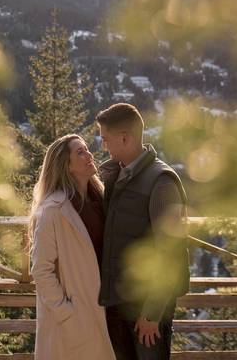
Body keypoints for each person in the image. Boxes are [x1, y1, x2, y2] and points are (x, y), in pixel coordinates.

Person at [96, 103, 190, 360]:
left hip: (146, 310)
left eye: (106, 139)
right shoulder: (115, 175)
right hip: (117, 303)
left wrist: (152, 314)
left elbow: (170, 252)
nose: (103, 146)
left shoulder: (161, 182)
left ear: (125, 137)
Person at [29, 134, 116, 360]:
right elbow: (41, 269)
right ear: (65, 166)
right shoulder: (52, 211)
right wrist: (66, 313)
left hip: (107, 311)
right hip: (75, 320)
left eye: (87, 149)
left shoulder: (101, 202)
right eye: (80, 152)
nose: (89, 155)